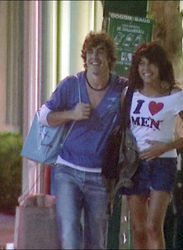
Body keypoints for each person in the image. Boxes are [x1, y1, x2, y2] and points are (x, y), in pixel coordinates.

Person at [39, 31, 127, 249]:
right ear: (85, 58)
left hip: (101, 176)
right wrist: (72, 114)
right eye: (90, 52)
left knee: (96, 239)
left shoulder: (122, 88)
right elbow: (44, 116)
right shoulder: (71, 85)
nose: (94, 57)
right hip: (67, 171)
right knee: (69, 234)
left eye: (100, 52)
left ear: (110, 59)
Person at [122, 42, 183, 249]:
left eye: (151, 64)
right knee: (138, 228)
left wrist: (163, 148)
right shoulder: (130, 93)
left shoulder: (174, 95)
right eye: (141, 64)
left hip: (163, 163)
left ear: (161, 66)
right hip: (135, 164)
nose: (146, 69)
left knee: (153, 226)